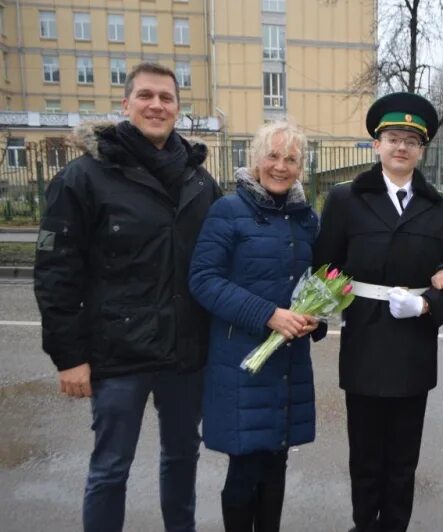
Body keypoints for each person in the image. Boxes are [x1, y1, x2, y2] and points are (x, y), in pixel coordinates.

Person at [33, 62, 221, 532]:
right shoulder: (84, 177)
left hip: (184, 354)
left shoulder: (200, 181)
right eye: (146, 96)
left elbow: (221, 262)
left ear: (179, 109)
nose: (156, 105)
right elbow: (56, 273)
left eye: (166, 98)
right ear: (125, 104)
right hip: (118, 356)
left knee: (181, 459)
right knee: (110, 469)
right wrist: (68, 357)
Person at [313, 92, 443, 532]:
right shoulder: (345, 200)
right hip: (365, 341)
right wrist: (317, 311)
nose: (401, 147)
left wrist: (428, 303)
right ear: (376, 145)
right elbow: (325, 267)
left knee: (403, 459)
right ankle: (365, 525)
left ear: (422, 150)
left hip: (412, 346)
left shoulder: (442, 208)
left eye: (411, 140)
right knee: (364, 456)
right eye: (392, 138)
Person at [188, 121, 324, 532]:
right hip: (242, 361)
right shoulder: (228, 210)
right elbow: (203, 280)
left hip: (287, 361)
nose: (281, 167)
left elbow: (314, 282)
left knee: (276, 463)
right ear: (255, 160)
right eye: (273, 156)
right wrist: (267, 314)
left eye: (291, 159)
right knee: (246, 466)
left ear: (302, 166)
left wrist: (316, 317)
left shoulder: (306, 219)